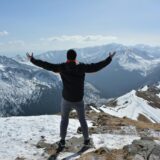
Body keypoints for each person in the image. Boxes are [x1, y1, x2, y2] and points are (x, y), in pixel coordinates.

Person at [26, 49, 116, 149]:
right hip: (79, 99)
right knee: (82, 120)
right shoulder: (82, 67)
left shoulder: (62, 67)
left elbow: (47, 65)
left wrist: (32, 60)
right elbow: (96, 67)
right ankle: (86, 140)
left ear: (67, 57)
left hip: (66, 99)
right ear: (75, 57)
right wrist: (109, 59)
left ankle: (62, 141)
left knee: (64, 120)